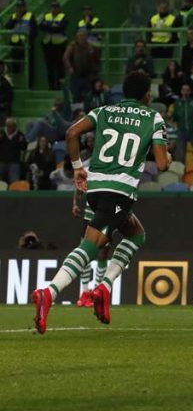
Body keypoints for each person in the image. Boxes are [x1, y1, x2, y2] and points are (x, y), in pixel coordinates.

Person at [32, 71, 171, 334]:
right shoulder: (153, 117)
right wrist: (169, 157)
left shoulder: (104, 110)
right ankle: (48, 292)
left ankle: (103, 289)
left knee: (136, 235)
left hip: (95, 192)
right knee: (91, 247)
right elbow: (162, 164)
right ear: (147, 95)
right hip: (118, 193)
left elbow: (72, 133)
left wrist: (77, 169)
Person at [72, 180, 109, 308]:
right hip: (89, 218)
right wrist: (75, 204)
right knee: (85, 254)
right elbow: (79, 186)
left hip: (106, 218)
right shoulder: (92, 171)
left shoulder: (116, 171)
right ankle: (85, 292)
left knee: (102, 255)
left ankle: (97, 292)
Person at [63, 29, 99, 105]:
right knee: (76, 97)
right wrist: (69, 67)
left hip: (88, 76)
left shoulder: (90, 47)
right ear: (76, 37)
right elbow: (65, 57)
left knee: (88, 97)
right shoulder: (72, 46)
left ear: (87, 37)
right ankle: (77, 115)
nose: (82, 38)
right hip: (76, 75)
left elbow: (96, 60)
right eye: (80, 36)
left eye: (84, 36)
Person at [5, 0, 37, 84]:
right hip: (15, 44)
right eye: (18, 7)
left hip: (26, 44)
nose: (19, 9)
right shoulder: (13, 16)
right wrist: (15, 20)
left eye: (21, 7)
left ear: (25, 7)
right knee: (15, 65)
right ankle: (16, 83)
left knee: (29, 66)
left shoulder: (30, 16)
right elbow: (7, 26)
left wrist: (29, 40)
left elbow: (34, 31)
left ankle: (30, 84)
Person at [40, 0, 68, 90]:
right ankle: (51, 86)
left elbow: (61, 27)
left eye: (56, 7)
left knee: (60, 67)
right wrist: (53, 26)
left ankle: (60, 87)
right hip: (48, 44)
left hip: (60, 45)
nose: (54, 9)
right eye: (53, 7)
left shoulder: (63, 16)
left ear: (59, 9)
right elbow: (42, 26)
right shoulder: (47, 16)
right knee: (50, 67)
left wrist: (49, 26)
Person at [172, 83, 193, 162]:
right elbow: (174, 117)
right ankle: (181, 172)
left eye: (187, 90)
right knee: (181, 155)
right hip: (181, 131)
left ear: (190, 92)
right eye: (184, 90)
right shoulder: (177, 103)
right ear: (181, 91)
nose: (185, 92)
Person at [0, 117, 27, 183]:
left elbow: (24, 148)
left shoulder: (20, 135)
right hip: (1, 161)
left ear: (15, 126)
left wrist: (22, 142)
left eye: (11, 126)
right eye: (8, 126)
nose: (9, 128)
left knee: (14, 183)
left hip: (14, 163)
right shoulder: (1, 134)